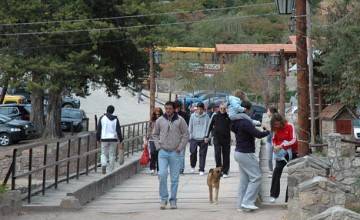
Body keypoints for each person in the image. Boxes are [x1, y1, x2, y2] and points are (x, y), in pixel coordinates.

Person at [231, 101, 270, 211]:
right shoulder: (245, 122)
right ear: (247, 110)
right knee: (256, 177)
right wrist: (268, 132)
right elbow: (257, 134)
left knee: (244, 181)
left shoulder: (236, 121)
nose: (251, 112)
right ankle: (247, 202)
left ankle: (240, 205)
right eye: (251, 110)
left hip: (239, 153)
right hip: (245, 153)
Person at [152, 101, 189, 210]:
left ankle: (173, 200)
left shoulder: (180, 120)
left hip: (175, 152)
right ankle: (163, 199)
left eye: (170, 108)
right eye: (166, 108)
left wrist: (180, 147)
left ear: (174, 109)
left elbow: (186, 134)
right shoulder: (159, 120)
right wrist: (158, 146)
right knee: (162, 174)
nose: (168, 110)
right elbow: (154, 134)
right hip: (163, 152)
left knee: (174, 178)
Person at [269, 113, 298, 203]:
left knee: (292, 173)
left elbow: (293, 140)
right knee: (277, 170)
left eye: (278, 124)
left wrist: (281, 146)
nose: (276, 126)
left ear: (281, 122)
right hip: (280, 154)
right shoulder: (275, 129)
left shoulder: (290, 126)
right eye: (275, 125)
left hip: (292, 152)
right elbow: (273, 139)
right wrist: (274, 146)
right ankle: (273, 195)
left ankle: (288, 198)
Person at [96, 105, 124, 175]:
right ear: (113, 111)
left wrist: (97, 139)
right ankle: (111, 170)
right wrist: (121, 139)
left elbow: (98, 129)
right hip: (113, 139)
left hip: (104, 138)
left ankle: (104, 164)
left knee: (103, 153)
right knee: (112, 154)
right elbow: (118, 130)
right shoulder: (116, 119)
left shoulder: (102, 118)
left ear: (107, 110)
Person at [206, 103, 231, 178]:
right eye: (221, 108)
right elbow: (210, 126)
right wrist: (207, 136)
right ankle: (219, 169)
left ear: (226, 109)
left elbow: (233, 127)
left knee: (226, 155)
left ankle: (225, 171)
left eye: (224, 108)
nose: (222, 110)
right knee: (217, 154)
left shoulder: (228, 117)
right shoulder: (215, 116)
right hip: (217, 138)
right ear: (219, 109)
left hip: (226, 139)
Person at [188, 102, 210, 176]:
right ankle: (193, 165)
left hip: (203, 138)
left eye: (201, 109)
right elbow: (190, 126)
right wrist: (190, 135)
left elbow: (208, 127)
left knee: (203, 154)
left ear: (203, 109)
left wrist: (207, 136)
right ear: (196, 108)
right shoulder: (192, 116)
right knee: (193, 152)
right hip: (194, 137)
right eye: (198, 108)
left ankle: (201, 169)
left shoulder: (206, 116)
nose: (200, 110)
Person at [175, 100, 190, 175]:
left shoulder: (185, 115)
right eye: (175, 107)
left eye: (178, 107)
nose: (177, 109)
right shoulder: (170, 115)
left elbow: (187, 126)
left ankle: (180, 169)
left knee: (181, 154)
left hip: (182, 137)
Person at [147, 107, 163, 175]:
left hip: (160, 139)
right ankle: (152, 168)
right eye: (156, 114)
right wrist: (147, 138)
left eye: (159, 114)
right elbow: (149, 130)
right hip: (152, 139)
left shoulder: (163, 121)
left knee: (159, 154)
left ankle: (159, 169)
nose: (157, 116)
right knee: (153, 153)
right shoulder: (151, 121)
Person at [265, 107, 278, 175]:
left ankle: (276, 171)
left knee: (276, 158)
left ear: (271, 112)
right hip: (269, 141)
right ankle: (270, 171)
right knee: (269, 158)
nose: (267, 112)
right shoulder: (268, 120)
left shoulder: (277, 121)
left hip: (276, 141)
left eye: (268, 111)